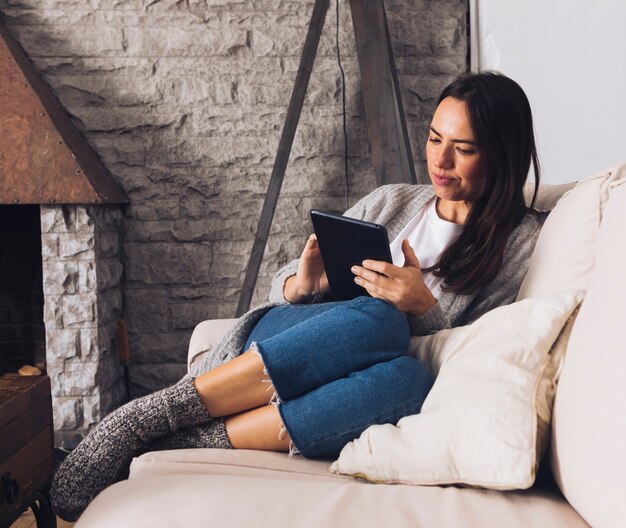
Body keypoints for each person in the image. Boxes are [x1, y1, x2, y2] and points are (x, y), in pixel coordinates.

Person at [50, 70, 543, 521]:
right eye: (435, 138)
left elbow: (483, 351)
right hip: (280, 348)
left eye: (464, 148)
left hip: (363, 383)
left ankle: (193, 436)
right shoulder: (395, 200)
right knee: (381, 320)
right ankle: (151, 415)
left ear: (501, 154)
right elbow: (282, 289)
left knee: (411, 381)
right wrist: (307, 284)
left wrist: (426, 309)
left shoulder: (521, 244)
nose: (440, 160)